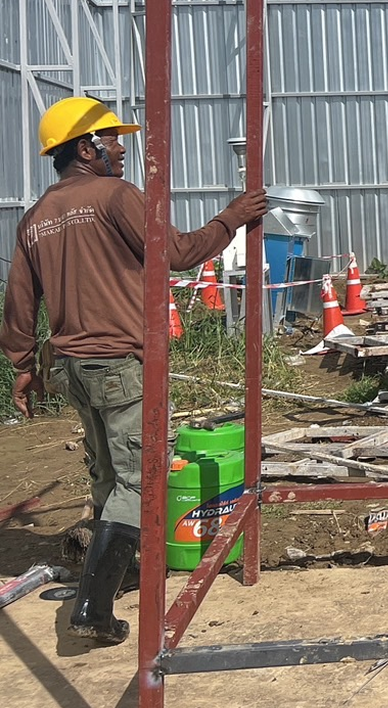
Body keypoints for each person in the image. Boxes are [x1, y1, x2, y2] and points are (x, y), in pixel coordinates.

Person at [0, 97, 266, 646]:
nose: (122, 149)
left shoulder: (36, 218)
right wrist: (232, 217)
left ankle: (113, 575)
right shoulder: (115, 196)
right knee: (138, 479)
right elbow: (179, 253)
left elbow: (19, 305)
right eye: (112, 140)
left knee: (105, 473)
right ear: (85, 148)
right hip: (119, 365)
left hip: (71, 369)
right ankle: (93, 608)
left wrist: (23, 367)